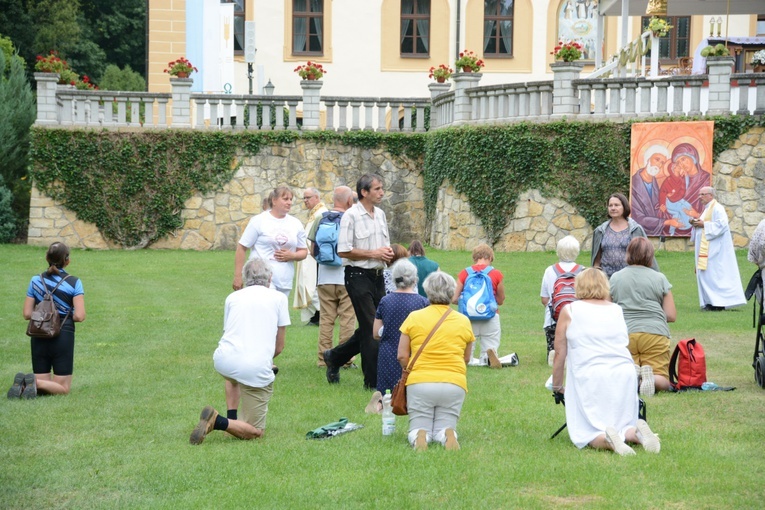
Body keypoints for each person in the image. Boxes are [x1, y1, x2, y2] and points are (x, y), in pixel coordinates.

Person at [552, 268, 661, 455]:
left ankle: (608, 440)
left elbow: (560, 353)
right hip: (624, 372)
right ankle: (636, 434)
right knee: (624, 420)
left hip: (590, 373)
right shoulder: (616, 310)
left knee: (586, 432)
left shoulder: (570, 310)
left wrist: (557, 386)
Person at [190, 258, 288, 444]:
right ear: (270, 278)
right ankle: (218, 421)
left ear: (245, 277)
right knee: (256, 433)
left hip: (223, 360)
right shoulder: (279, 298)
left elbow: (230, 332)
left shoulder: (232, 297)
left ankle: (232, 419)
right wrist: (265, 361)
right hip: (252, 367)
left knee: (233, 375)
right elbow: (279, 346)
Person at [323, 174, 394, 390]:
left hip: (378, 277)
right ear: (364, 192)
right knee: (373, 328)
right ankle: (373, 384)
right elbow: (343, 250)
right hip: (357, 277)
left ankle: (334, 357)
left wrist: (387, 253)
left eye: (382, 188)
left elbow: (383, 247)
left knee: (375, 325)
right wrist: (374, 253)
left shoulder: (380, 214)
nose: (382, 192)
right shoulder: (350, 216)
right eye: (377, 189)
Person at [399, 271, 475, 451]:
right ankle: (447, 433)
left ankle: (419, 434)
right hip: (454, 382)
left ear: (427, 292)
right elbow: (466, 357)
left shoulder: (414, 317)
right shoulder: (463, 321)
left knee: (418, 423)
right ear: (451, 293)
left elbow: (402, 355)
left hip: (420, 381)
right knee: (446, 421)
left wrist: (409, 369)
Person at [12, 242, 86, 399]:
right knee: (63, 388)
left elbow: (27, 314)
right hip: (63, 333)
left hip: (39, 331)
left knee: (43, 383)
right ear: (67, 261)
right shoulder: (74, 282)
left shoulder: (35, 280)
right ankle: (32, 382)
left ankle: (32, 382)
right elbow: (79, 316)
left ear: (47, 258)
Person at [610, 238, 676, 396]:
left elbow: (609, 310)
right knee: (663, 379)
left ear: (628, 254)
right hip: (655, 333)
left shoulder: (615, 278)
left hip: (625, 333)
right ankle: (651, 379)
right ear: (650, 256)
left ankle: (633, 377)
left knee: (622, 373)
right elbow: (671, 315)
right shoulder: (660, 278)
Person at [308, 186, 357, 368]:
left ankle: (323, 360)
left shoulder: (320, 218)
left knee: (326, 320)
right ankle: (345, 360)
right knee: (347, 320)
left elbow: (312, 250)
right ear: (349, 201)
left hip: (324, 278)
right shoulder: (352, 219)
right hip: (347, 278)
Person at [370, 259, 429, 411]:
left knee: (387, 394)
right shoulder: (423, 302)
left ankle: (382, 404)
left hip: (388, 354)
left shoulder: (385, 300)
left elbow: (376, 333)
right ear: (415, 279)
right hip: (413, 354)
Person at [233, 186, 308, 297]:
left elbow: (303, 251)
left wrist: (292, 255)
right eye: (285, 199)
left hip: (284, 279)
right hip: (259, 278)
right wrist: (238, 276)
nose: (289, 203)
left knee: (278, 311)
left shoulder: (295, 224)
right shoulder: (259, 221)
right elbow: (242, 247)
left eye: (291, 199)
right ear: (274, 200)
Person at [689, 187, 746, 311]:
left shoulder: (717, 208)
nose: (700, 197)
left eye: (702, 194)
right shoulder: (707, 209)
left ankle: (717, 303)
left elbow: (722, 225)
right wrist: (695, 223)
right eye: (699, 194)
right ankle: (710, 302)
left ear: (710, 195)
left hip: (716, 251)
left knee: (714, 276)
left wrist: (703, 224)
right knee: (706, 275)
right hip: (708, 250)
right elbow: (704, 225)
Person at [452, 243, 506, 368]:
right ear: (490, 257)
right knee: (491, 340)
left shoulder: (465, 273)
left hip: (468, 317)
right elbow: (501, 299)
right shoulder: (496, 274)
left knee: (468, 342)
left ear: (474, 258)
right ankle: (488, 357)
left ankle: (468, 359)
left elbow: (454, 298)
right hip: (490, 315)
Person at [540, 235, 582, 366]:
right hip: (577, 319)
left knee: (555, 346)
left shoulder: (549, 270)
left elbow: (544, 298)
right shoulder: (583, 271)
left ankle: (554, 353)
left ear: (558, 251)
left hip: (553, 319)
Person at [591, 192, 655, 278]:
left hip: (629, 279)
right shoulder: (600, 231)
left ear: (624, 207)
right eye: (610, 205)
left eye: (616, 205)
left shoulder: (635, 230)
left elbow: (646, 255)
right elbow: (596, 260)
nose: (613, 208)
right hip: (606, 281)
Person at [294, 187, 327, 325]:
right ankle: (315, 315)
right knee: (308, 284)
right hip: (307, 256)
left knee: (311, 285)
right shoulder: (314, 213)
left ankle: (321, 314)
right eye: (304, 198)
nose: (305, 201)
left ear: (317, 198)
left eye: (308, 198)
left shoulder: (322, 213)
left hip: (314, 257)